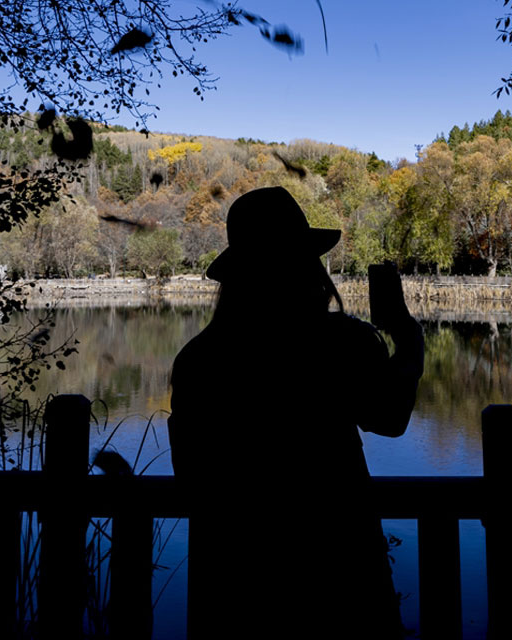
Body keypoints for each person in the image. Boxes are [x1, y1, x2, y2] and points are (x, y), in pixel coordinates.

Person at [168, 186, 425, 639]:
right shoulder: (343, 342)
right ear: (304, 266)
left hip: (233, 586)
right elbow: (391, 420)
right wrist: (409, 342)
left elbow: (192, 477)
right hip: (343, 575)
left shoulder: (199, 360)